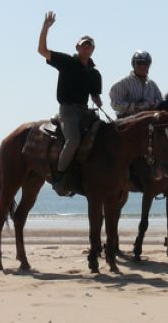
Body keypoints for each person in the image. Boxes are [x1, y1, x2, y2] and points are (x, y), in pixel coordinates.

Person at [38, 11, 103, 196]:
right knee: (73, 140)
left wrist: (98, 101)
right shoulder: (66, 62)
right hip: (68, 112)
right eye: (83, 45)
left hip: (85, 111)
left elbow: (95, 95)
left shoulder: (94, 73)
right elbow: (42, 50)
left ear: (92, 50)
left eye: (89, 46)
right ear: (77, 47)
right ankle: (60, 176)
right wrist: (45, 28)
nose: (86, 48)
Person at [109, 51, 163, 118]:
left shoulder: (153, 85)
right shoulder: (122, 83)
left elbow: (161, 102)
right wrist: (135, 107)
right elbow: (115, 104)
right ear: (133, 64)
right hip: (127, 122)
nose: (143, 66)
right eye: (139, 63)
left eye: (146, 63)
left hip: (149, 122)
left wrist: (152, 104)